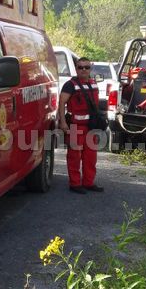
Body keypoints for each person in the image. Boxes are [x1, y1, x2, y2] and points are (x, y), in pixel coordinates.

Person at [58, 57, 104, 194]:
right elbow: (61, 103)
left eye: (86, 67)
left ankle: (88, 183)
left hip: (90, 127)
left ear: (91, 68)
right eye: (80, 67)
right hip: (75, 127)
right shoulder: (70, 85)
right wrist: (63, 122)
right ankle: (75, 184)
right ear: (76, 68)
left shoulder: (93, 83)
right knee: (74, 157)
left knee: (91, 157)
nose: (83, 70)